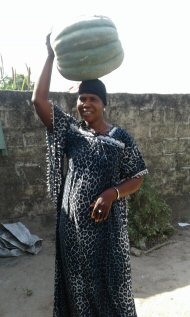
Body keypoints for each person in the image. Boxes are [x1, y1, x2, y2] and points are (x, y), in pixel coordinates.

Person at [32, 33, 148, 317]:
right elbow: (38, 100)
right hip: (71, 229)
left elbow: (138, 176)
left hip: (107, 233)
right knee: (77, 289)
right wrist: (50, 55)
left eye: (92, 98)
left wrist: (112, 193)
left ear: (104, 103)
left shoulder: (121, 139)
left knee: (111, 286)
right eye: (81, 98)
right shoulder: (71, 133)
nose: (85, 103)